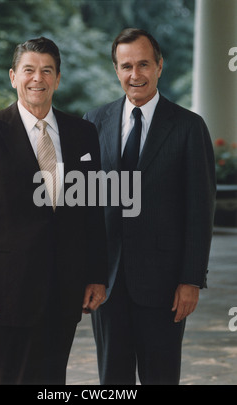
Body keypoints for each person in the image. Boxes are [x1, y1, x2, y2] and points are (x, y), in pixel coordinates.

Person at [0, 37, 107, 385]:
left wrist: (97, 274)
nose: (37, 78)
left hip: (64, 289)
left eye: (46, 71)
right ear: (13, 76)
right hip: (5, 290)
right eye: (29, 70)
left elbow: (92, 210)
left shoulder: (83, 133)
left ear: (58, 79)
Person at [83, 28, 216, 385]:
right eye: (126, 66)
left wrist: (190, 279)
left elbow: (200, 212)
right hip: (107, 284)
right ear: (116, 70)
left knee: (161, 377)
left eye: (144, 64)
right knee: (112, 382)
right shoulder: (93, 122)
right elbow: (85, 208)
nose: (135, 74)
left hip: (165, 285)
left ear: (160, 66)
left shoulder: (188, 127)